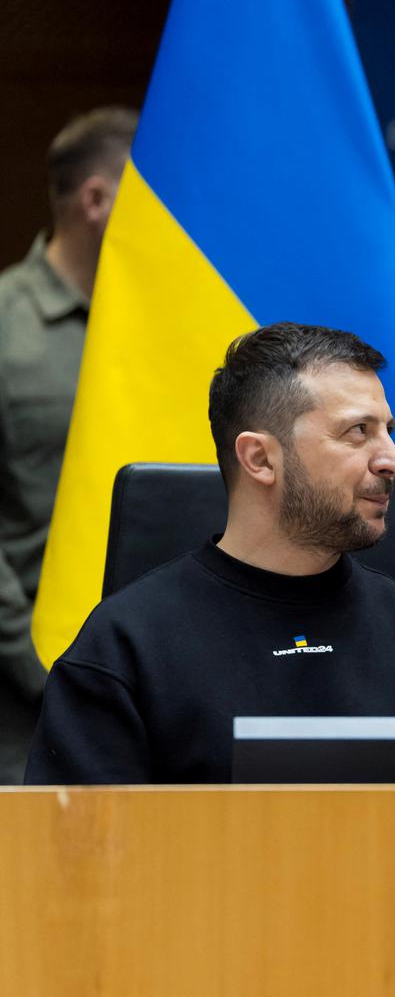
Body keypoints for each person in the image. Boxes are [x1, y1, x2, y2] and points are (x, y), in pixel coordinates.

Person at [26, 323, 395, 784]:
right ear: (260, 459)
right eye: (358, 431)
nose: (393, 460)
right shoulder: (125, 645)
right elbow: (76, 850)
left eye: (387, 430)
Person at [0, 107, 137, 783]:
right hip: (20, 694)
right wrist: (35, 664)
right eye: (149, 196)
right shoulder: (6, 325)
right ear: (97, 200)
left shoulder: (158, 331)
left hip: (149, 681)